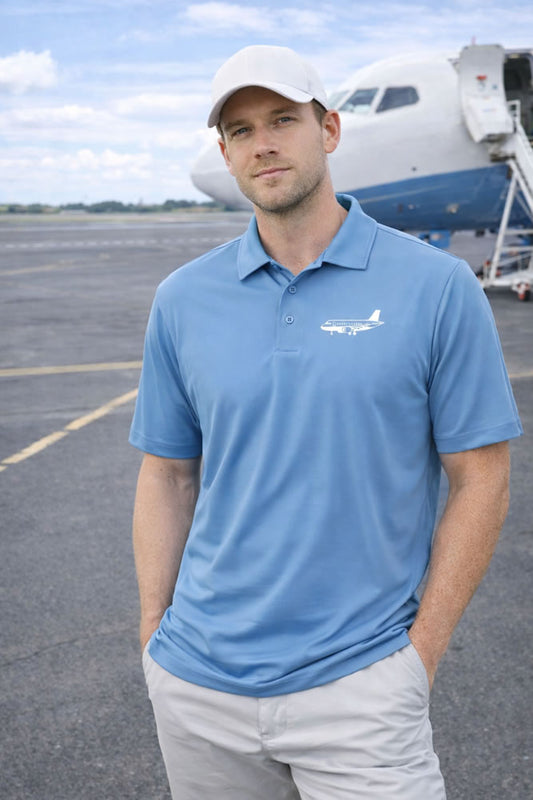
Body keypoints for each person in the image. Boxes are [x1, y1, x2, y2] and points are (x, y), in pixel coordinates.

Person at [129, 44, 522, 799]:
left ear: (328, 131)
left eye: (282, 119)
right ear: (226, 151)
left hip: (361, 692)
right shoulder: (182, 299)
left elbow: (482, 481)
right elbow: (167, 474)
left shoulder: (437, 288)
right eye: (240, 130)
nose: (262, 143)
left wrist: (418, 656)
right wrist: (154, 637)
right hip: (196, 687)